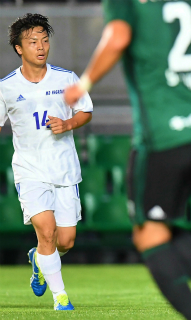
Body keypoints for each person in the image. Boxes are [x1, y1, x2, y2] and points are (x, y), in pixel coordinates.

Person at [64, 1, 191, 319]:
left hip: (163, 137)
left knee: (147, 232)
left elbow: (118, 37)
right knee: (163, 223)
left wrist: (85, 83)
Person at [0, 13, 93, 310]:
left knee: (65, 241)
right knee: (47, 231)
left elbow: (86, 111)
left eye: (44, 40)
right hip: (29, 172)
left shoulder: (66, 79)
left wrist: (67, 124)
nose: (40, 47)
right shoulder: (6, 87)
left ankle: (39, 258)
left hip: (64, 170)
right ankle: (61, 298)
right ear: (19, 48)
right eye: (32, 42)